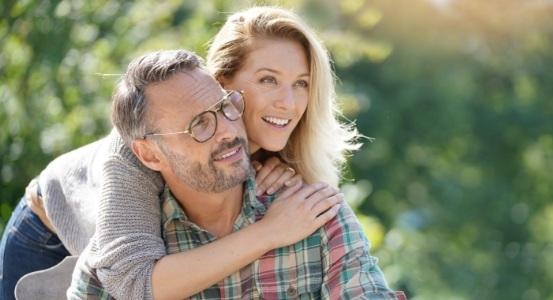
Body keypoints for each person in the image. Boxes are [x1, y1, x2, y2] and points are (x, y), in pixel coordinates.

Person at [0, 7, 348, 298]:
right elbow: (132, 283)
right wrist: (271, 230)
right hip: (50, 231)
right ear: (221, 82)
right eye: (268, 80)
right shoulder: (134, 153)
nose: (288, 103)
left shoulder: (276, 151)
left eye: (301, 83)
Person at [69, 48, 404, 300]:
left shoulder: (313, 214)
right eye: (198, 124)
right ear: (149, 154)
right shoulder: (123, 251)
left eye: (225, 107)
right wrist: (270, 232)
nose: (228, 131)